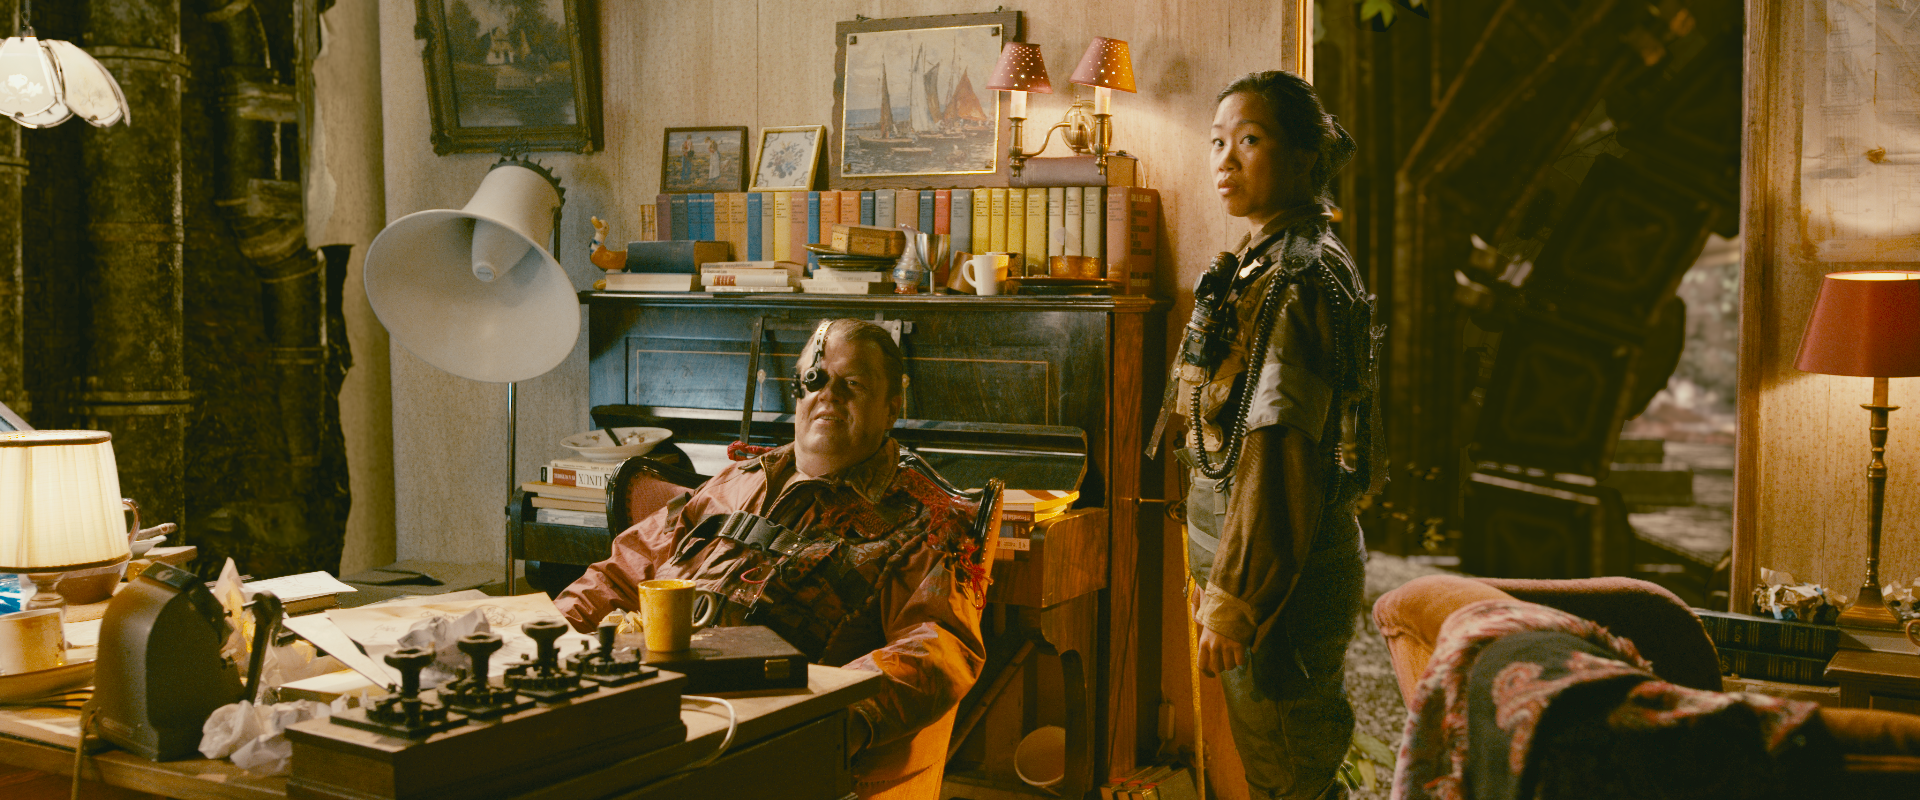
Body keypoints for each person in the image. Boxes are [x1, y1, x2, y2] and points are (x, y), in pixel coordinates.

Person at [557, 319, 989, 799]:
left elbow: (936, 646)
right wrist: (550, 635)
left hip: (757, 740)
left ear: (892, 407)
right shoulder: (735, 482)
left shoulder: (927, 520)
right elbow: (621, 572)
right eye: (814, 379)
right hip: (637, 702)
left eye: (853, 384)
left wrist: (832, 713)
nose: (828, 395)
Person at [1176, 70, 1375, 800]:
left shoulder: (1297, 279)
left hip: (1277, 577)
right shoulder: (1266, 259)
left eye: (1250, 140)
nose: (1225, 160)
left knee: (1290, 773)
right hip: (1255, 559)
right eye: (1217, 142)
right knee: (1282, 767)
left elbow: (1277, 452)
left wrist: (1238, 599)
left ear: (1302, 156)